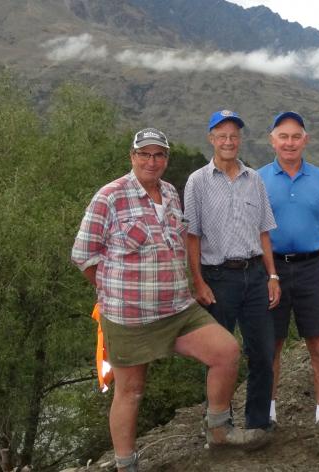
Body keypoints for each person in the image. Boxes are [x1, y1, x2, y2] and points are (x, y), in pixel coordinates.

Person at [71, 128, 265, 472]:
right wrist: (111, 290)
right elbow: (83, 255)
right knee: (130, 391)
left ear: (166, 160)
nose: (152, 161)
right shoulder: (109, 196)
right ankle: (125, 463)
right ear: (132, 157)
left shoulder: (172, 193)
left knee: (226, 351)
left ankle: (218, 429)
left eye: (158, 155)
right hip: (130, 317)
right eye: (144, 154)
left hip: (178, 309)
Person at [184, 110, 281, 435]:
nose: (228, 141)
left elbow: (265, 231)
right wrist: (197, 281)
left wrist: (272, 275)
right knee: (217, 355)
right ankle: (218, 425)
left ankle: (257, 423)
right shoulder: (197, 182)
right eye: (221, 135)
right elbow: (192, 236)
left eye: (233, 136)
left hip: (255, 276)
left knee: (263, 353)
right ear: (211, 139)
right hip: (217, 279)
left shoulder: (254, 180)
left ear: (240, 139)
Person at [258, 111, 319, 426]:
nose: (290, 142)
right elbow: (258, 232)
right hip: (272, 270)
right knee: (272, 343)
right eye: (283, 136)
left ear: (305, 140)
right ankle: (268, 411)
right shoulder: (258, 179)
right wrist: (267, 274)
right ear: (272, 140)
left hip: (314, 268)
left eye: (296, 136)